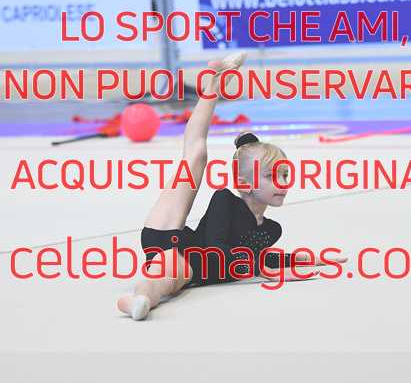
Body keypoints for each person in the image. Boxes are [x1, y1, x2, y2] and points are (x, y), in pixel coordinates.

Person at [117, 53, 346, 320]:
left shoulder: (270, 229)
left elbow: (259, 257)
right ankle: (214, 83)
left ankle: (137, 302)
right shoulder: (224, 200)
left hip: (193, 268)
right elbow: (217, 250)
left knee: (166, 281)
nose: (283, 183)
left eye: (285, 174)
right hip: (175, 241)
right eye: (272, 176)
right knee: (195, 155)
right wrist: (262, 269)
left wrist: (306, 258)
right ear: (244, 183)